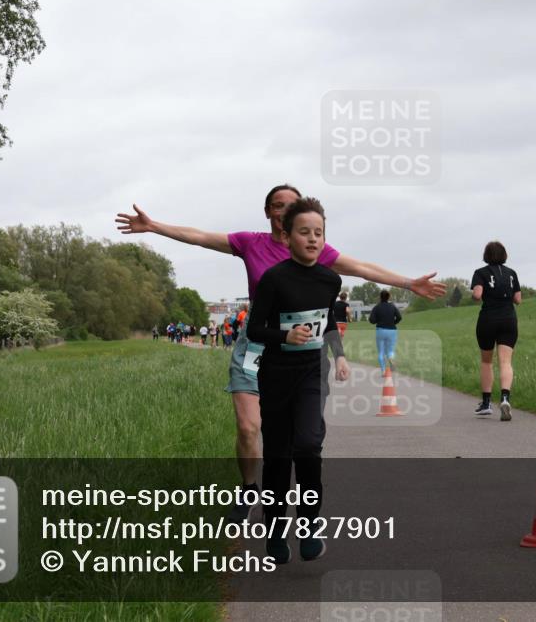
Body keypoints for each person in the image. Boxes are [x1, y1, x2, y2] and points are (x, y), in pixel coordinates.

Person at [116, 184, 446, 524]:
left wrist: (408, 283)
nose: (283, 211)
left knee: (295, 437)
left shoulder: (313, 248)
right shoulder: (250, 243)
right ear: (270, 213)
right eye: (277, 206)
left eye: (291, 205)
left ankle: (294, 507)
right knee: (248, 428)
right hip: (256, 342)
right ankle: (248, 489)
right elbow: (199, 236)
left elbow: (361, 267)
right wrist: (154, 226)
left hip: (299, 351)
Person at [247, 197, 349, 563]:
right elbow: (256, 329)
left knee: (307, 446)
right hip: (276, 376)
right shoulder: (273, 280)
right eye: (304, 232)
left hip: (310, 373)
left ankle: (308, 527)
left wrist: (339, 356)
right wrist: (284, 337)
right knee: (277, 458)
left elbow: (329, 322)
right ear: (287, 237)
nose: (312, 239)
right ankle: (275, 532)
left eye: (318, 233)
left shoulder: (330, 279)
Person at [471, 241, 521, 421]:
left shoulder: (480, 273)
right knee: (505, 361)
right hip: (509, 319)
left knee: (487, 361)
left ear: (486, 255)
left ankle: (486, 404)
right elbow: (518, 299)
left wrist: (475, 294)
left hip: (488, 320)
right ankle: (505, 398)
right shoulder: (511, 273)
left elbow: (477, 295)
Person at [368, 290, 402, 373]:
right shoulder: (393, 306)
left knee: (381, 352)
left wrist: (378, 320)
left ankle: (383, 371)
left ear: (380, 297)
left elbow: (371, 320)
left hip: (380, 330)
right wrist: (393, 322)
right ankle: (391, 358)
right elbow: (399, 317)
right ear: (389, 297)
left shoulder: (376, 307)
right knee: (390, 350)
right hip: (392, 330)